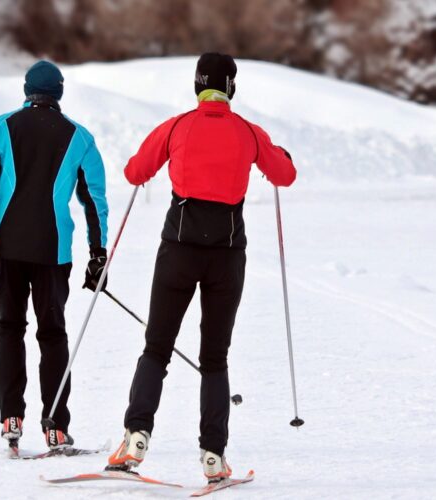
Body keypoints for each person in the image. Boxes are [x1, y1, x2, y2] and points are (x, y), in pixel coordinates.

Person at [107, 53, 297, 481]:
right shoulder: (249, 132)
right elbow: (284, 175)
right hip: (227, 257)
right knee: (215, 357)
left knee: (157, 346)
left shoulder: (177, 126)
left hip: (178, 250)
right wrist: (279, 154)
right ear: (230, 87)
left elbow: (135, 172)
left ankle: (136, 437)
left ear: (197, 86)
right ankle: (213, 455)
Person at [0, 60, 109, 451]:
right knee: (52, 334)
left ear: (27, 90)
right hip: (53, 250)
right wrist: (99, 254)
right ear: (59, 92)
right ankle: (55, 426)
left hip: (7, 247)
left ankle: (11, 417)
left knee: (10, 327)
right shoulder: (79, 137)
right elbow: (94, 201)